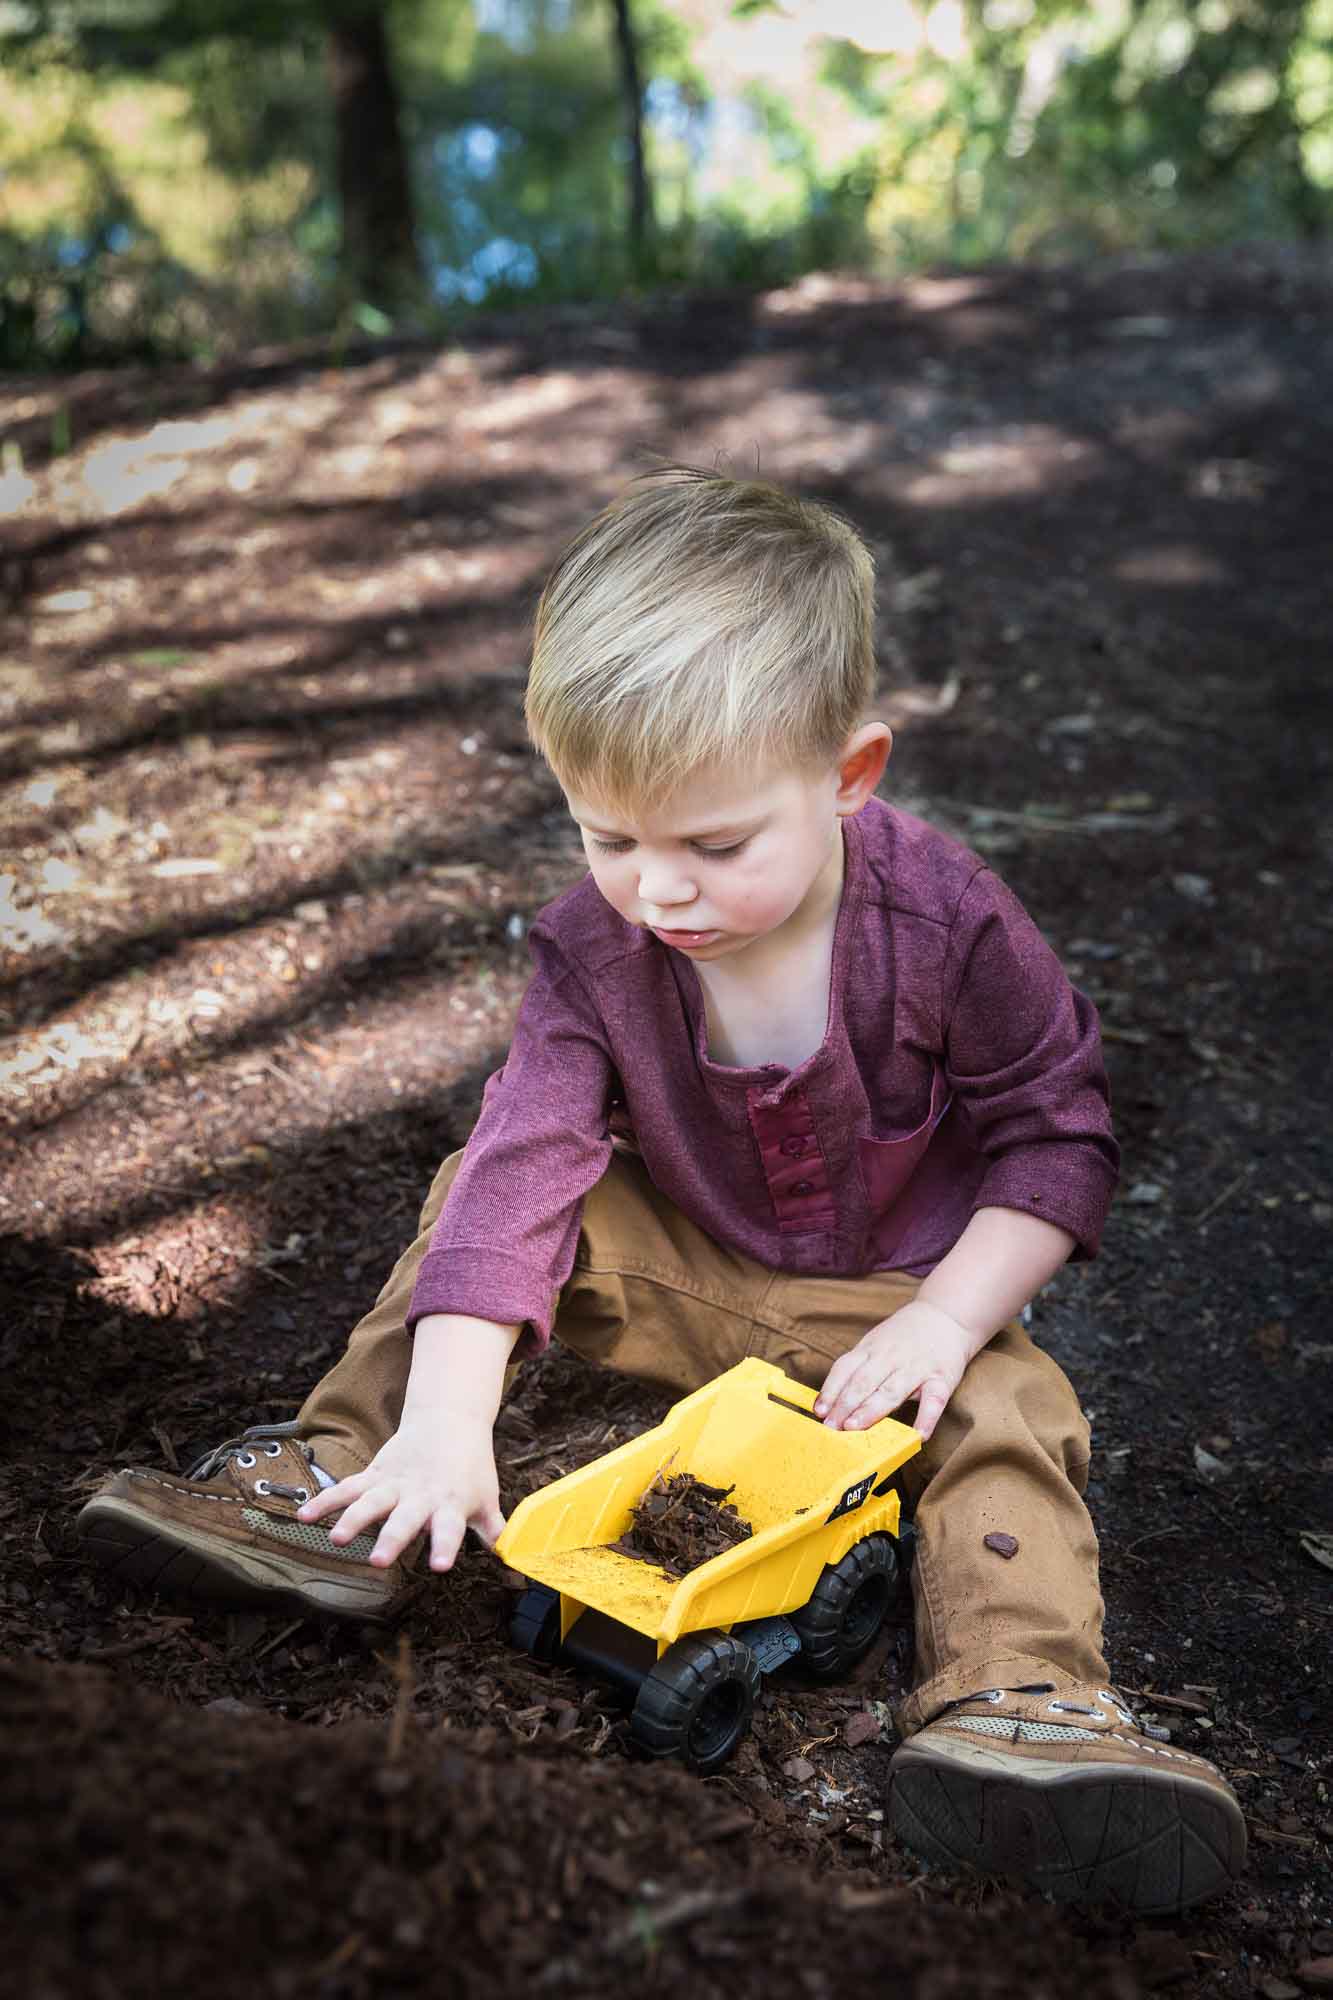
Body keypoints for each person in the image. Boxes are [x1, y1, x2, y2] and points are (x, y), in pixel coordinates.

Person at [78, 467, 1244, 1912]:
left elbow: (1056, 1135)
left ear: (847, 776)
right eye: (606, 836)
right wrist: (455, 1420)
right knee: (472, 1189)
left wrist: (946, 1325)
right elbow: (526, 1161)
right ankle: (351, 1482)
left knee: (1016, 1406)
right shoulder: (594, 948)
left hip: (883, 1323)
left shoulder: (945, 924)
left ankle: (1021, 1701)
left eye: (712, 845)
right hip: (677, 1271)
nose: (658, 893)